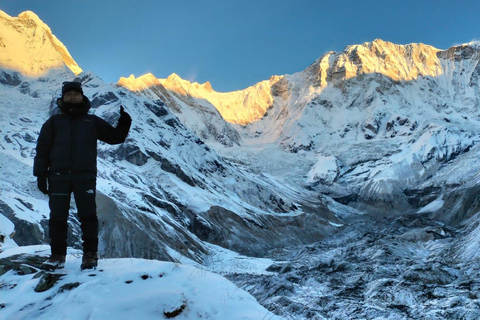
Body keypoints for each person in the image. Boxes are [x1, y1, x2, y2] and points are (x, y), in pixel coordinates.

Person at [33, 81, 132, 270]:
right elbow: (42, 149)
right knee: (57, 218)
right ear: (62, 98)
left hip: (84, 177)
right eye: (68, 94)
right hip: (58, 177)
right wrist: (40, 175)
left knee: (88, 217)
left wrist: (124, 122)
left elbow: (115, 137)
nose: (72, 97)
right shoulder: (53, 122)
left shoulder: (91, 121)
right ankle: (57, 255)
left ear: (82, 97)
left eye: (75, 94)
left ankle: (90, 256)